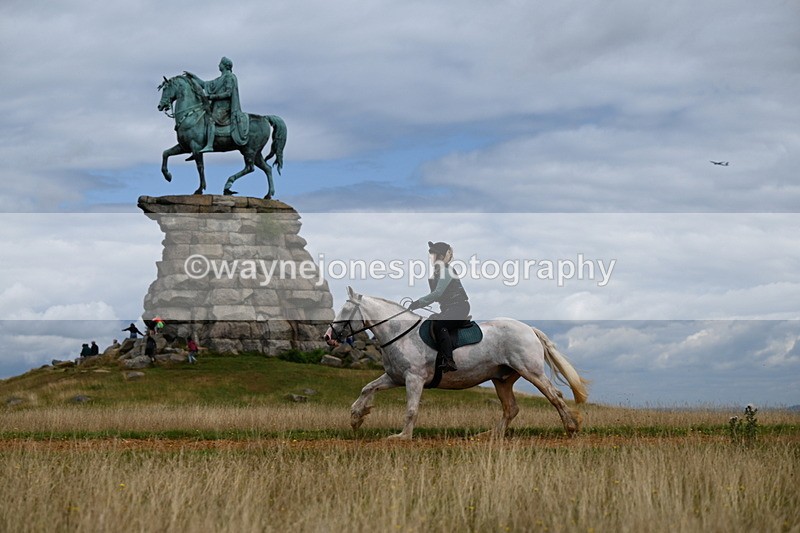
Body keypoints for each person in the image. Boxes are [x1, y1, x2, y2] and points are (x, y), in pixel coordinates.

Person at [408, 241, 471, 373]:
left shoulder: (446, 271)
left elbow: (437, 294)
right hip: (449, 308)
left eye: (434, 254)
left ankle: (449, 360)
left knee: (440, 326)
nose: (431, 257)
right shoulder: (438, 272)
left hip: (458, 307)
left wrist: (418, 303)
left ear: (441, 256)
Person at [184, 57, 249, 152]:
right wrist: (193, 77)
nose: (219, 65)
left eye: (220, 63)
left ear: (225, 65)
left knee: (210, 120)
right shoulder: (220, 79)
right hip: (216, 106)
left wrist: (212, 97)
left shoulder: (230, 77)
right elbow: (204, 84)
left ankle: (210, 145)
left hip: (224, 108)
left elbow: (228, 93)